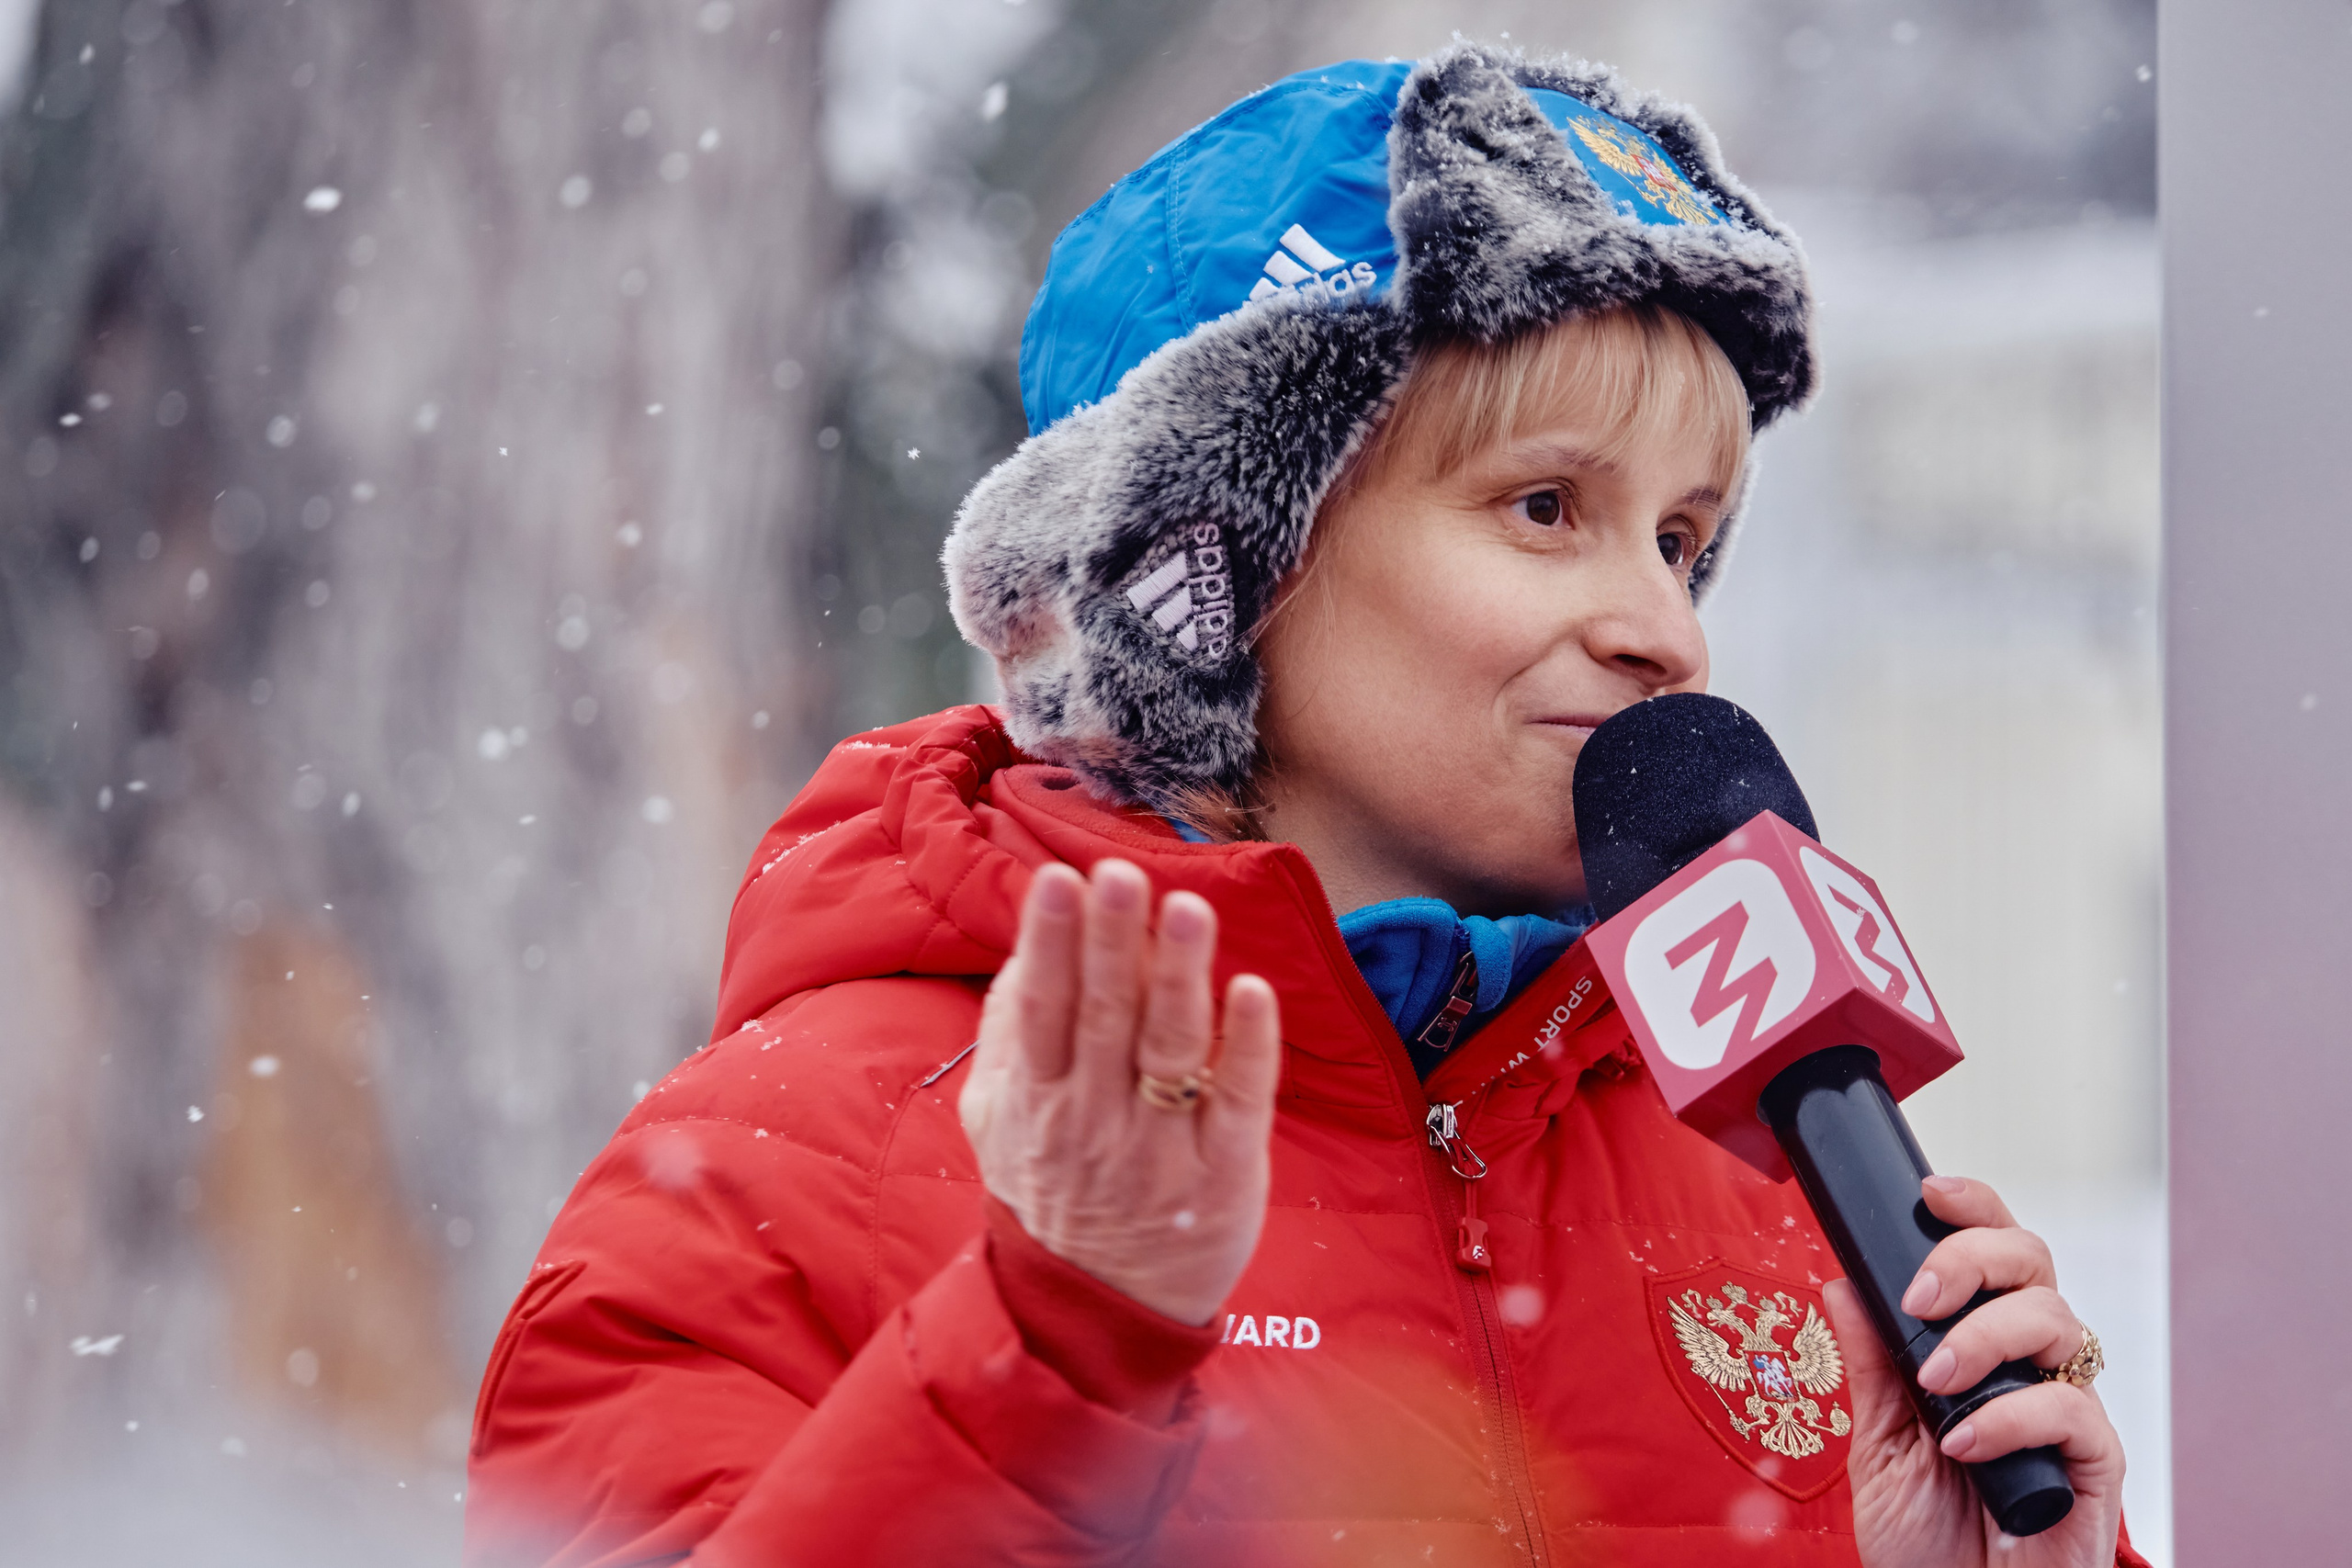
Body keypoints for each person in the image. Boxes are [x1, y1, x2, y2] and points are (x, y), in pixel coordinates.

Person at [465, 45, 2141, 1567]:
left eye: (1684, 540)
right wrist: (1051, 1349)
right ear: (1218, 568)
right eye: (1547, 506)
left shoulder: (1762, 1175)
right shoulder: (793, 1163)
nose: (1666, 626)